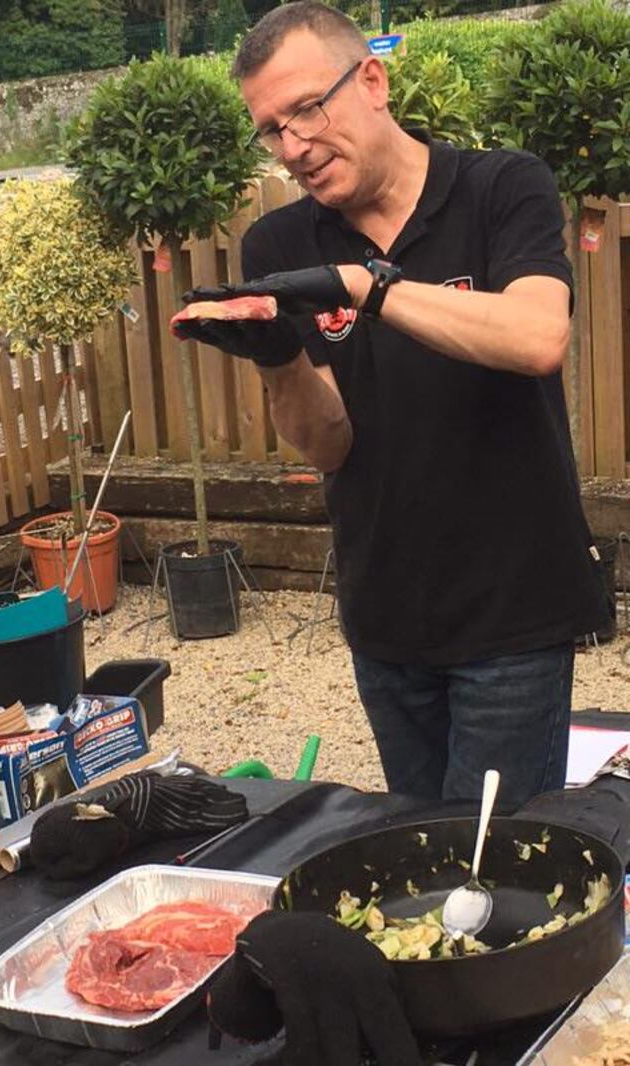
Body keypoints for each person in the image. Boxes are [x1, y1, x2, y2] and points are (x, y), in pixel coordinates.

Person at [174, 1, 609, 807]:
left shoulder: (500, 187)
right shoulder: (279, 245)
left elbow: (536, 335)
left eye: (308, 109)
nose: (293, 147)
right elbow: (330, 445)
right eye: (271, 130)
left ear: (371, 80)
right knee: (422, 856)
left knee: (495, 874)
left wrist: (366, 287)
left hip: (513, 616)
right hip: (385, 621)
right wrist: (277, 361)